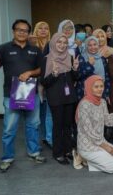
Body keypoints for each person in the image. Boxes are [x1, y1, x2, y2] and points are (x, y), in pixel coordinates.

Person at [0, 19, 46, 172]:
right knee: (9, 128)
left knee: (33, 125)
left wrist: (30, 72)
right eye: (19, 30)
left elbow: (41, 69)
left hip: (31, 94)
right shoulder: (3, 49)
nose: (22, 33)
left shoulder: (35, 50)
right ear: (13, 31)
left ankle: (34, 152)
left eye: (25, 30)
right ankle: (7, 157)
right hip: (11, 94)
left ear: (29, 33)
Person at [40, 33, 79, 165]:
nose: (62, 45)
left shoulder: (71, 57)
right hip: (55, 98)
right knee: (58, 126)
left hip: (69, 97)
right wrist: (55, 73)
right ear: (53, 43)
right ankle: (58, 153)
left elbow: (75, 78)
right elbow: (44, 82)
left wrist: (74, 69)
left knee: (68, 126)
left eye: (64, 43)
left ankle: (68, 150)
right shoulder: (47, 59)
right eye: (59, 42)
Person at [77, 75, 113, 173]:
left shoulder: (102, 102)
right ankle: (85, 159)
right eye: (96, 87)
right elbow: (89, 132)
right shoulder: (84, 105)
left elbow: (108, 121)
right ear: (89, 87)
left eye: (101, 86)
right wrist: (105, 147)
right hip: (87, 146)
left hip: (100, 141)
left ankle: (94, 160)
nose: (100, 89)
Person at [33, 21, 53, 149]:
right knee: (36, 114)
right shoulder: (31, 44)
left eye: (46, 28)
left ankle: (47, 137)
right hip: (33, 83)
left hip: (49, 83)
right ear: (36, 30)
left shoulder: (53, 44)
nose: (43, 30)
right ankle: (38, 139)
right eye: (40, 28)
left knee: (47, 112)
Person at [76, 36, 110, 101]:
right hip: (85, 93)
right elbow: (78, 75)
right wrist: (89, 65)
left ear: (98, 45)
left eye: (95, 44)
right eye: (90, 45)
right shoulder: (81, 57)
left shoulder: (102, 58)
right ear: (86, 46)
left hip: (100, 93)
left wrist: (107, 93)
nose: (93, 47)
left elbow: (107, 77)